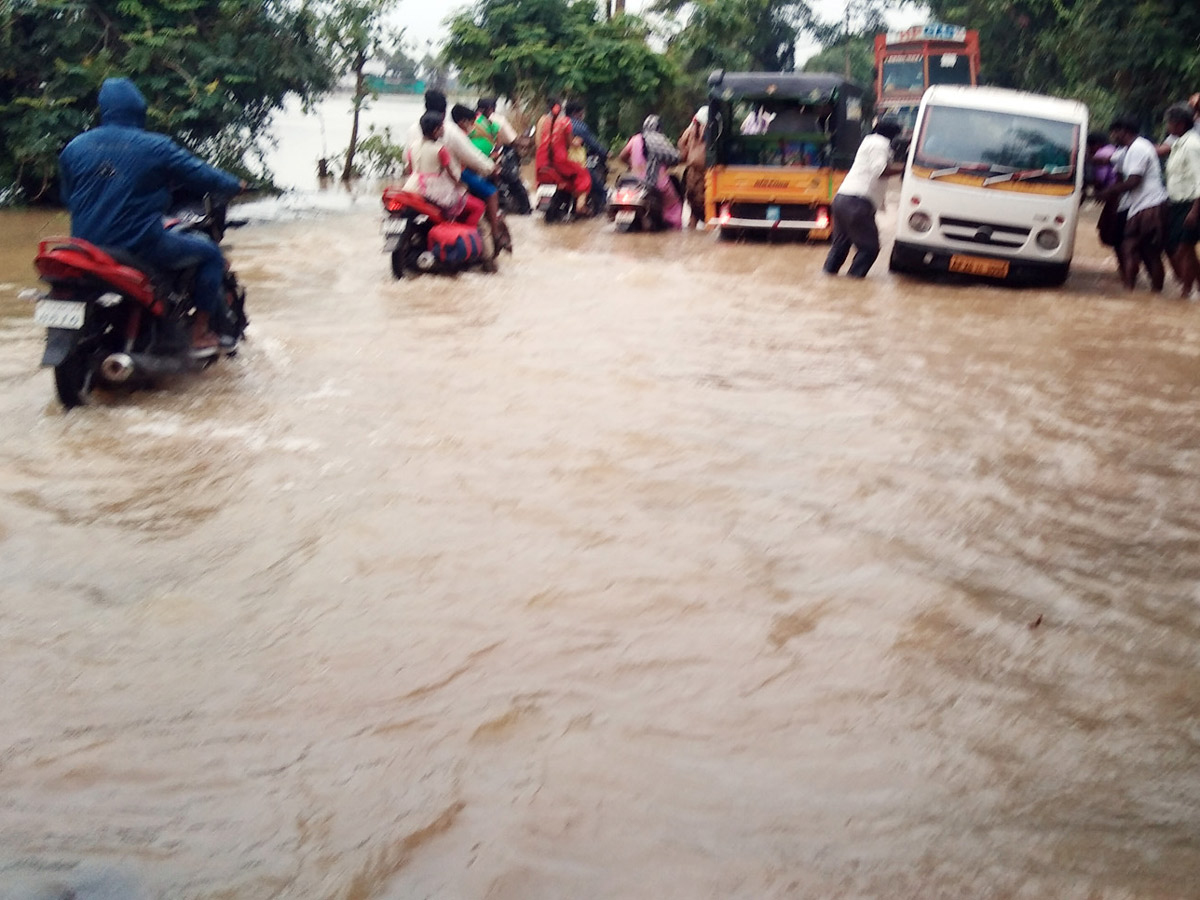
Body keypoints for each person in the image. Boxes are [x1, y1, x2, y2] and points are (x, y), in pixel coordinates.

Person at [58, 77, 244, 353]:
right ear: (139, 109)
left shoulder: (74, 148)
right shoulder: (156, 147)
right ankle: (199, 333)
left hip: (84, 248)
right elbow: (200, 174)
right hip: (140, 245)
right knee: (211, 255)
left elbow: (67, 198)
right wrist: (234, 185)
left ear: (104, 110)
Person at [408, 92, 509, 252]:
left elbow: (407, 163)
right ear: (444, 110)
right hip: (444, 186)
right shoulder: (448, 131)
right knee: (484, 200)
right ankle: (479, 243)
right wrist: (491, 168)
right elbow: (470, 157)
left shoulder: (413, 129)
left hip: (414, 185)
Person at [823, 119, 904, 278]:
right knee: (869, 248)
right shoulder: (880, 145)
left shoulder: (869, 142)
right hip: (857, 202)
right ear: (892, 136)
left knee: (839, 246)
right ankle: (853, 282)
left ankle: (827, 278)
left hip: (842, 199)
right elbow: (880, 171)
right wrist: (904, 169)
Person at [1100, 116, 1170, 292]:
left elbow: (1133, 181)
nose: (1113, 136)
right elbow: (1111, 162)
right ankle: (1139, 292)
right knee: (1138, 249)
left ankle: (1141, 291)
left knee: (1142, 250)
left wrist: (1108, 192)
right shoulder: (1130, 149)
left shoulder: (1138, 149)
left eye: (1115, 132)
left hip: (1149, 205)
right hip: (1141, 205)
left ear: (1124, 131)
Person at [403, 111, 485, 229]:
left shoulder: (413, 147)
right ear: (436, 130)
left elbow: (410, 170)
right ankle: (466, 234)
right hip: (436, 190)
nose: (443, 130)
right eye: (442, 127)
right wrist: (462, 185)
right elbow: (452, 174)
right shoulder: (440, 149)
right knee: (479, 206)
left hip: (413, 187)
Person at [618, 115, 684, 229]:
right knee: (675, 205)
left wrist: (632, 165)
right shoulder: (659, 139)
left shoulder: (635, 139)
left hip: (634, 184)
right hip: (656, 184)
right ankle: (674, 230)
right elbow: (675, 158)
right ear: (659, 128)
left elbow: (622, 156)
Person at [1162, 104, 1200, 298]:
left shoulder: (1192, 145)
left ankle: (1185, 293)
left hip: (1191, 204)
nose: (1168, 126)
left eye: (1169, 122)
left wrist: (1195, 211)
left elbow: (1199, 179)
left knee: (1182, 250)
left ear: (1179, 124)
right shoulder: (1179, 144)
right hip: (1178, 204)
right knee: (1188, 249)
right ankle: (1196, 289)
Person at [535, 99, 593, 215]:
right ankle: (580, 206)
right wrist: (578, 141)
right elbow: (570, 142)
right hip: (560, 161)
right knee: (584, 176)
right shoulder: (565, 122)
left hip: (541, 161)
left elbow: (538, 142)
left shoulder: (542, 121)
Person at [565, 100, 608, 210]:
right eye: (581, 113)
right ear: (576, 113)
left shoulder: (559, 123)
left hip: (557, 164)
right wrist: (605, 153)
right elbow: (593, 144)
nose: (582, 115)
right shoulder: (579, 126)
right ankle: (601, 208)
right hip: (574, 164)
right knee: (599, 187)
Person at [677, 106, 709, 229]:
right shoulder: (694, 133)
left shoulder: (701, 133)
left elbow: (681, 147)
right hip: (695, 176)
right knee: (695, 210)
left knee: (698, 211)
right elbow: (682, 146)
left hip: (702, 177)